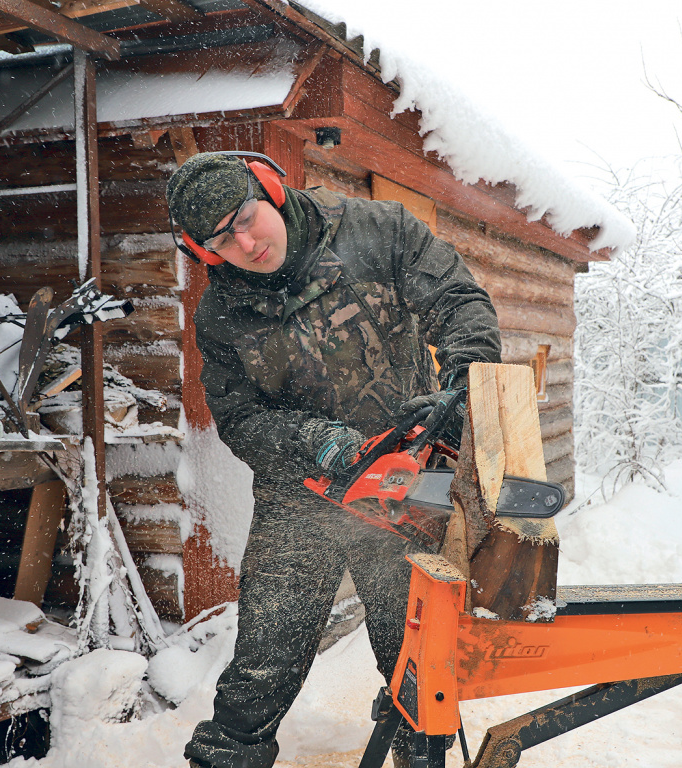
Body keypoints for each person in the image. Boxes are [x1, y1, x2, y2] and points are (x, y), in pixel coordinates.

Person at [165, 151, 501, 768]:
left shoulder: (378, 229)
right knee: (263, 660)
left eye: (245, 218)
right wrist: (314, 442)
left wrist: (461, 383)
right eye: (220, 239)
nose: (244, 242)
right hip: (300, 493)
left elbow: (459, 300)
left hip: (412, 469)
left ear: (267, 189)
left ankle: (421, 754)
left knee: (418, 650)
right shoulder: (221, 316)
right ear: (203, 250)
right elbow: (239, 420)